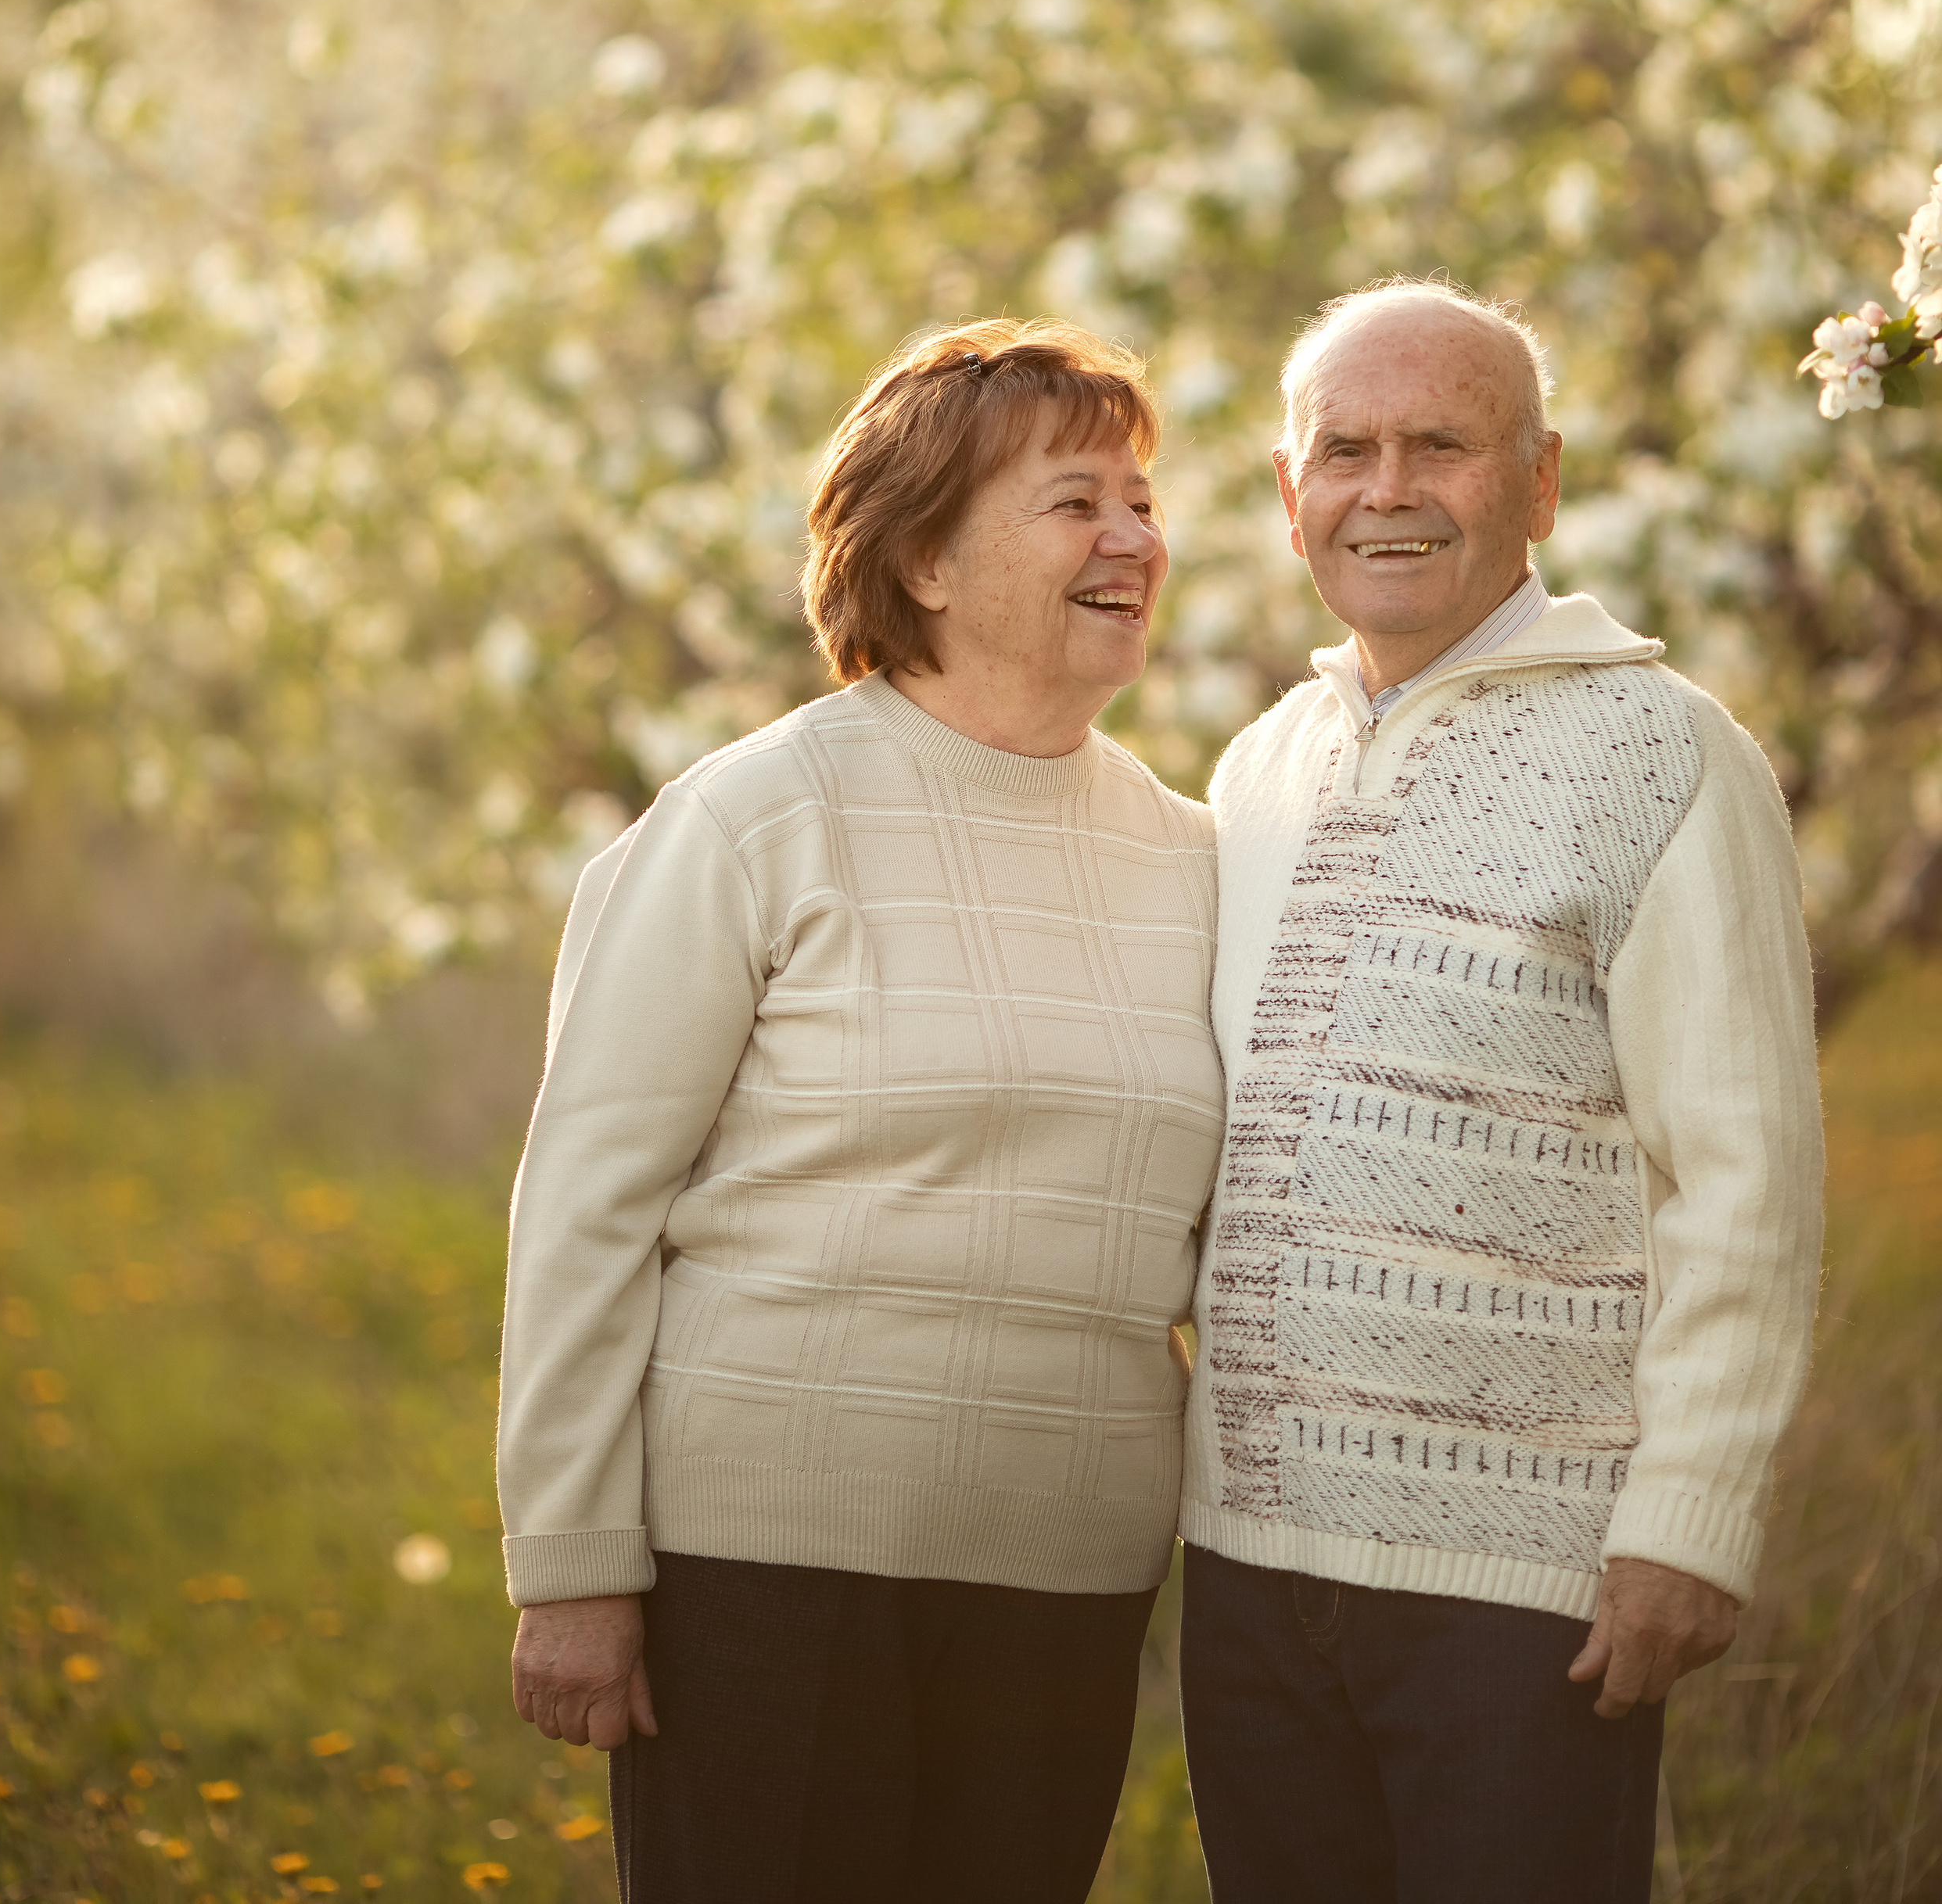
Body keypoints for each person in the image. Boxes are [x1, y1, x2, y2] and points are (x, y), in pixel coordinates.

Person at [497, 318, 1224, 1904]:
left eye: (1141, 497)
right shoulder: (750, 819)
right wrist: (569, 1568)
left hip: (1067, 1574)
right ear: (923, 564)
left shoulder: (1199, 857)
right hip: (763, 1582)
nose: (1132, 540)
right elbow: (587, 1202)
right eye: (1072, 501)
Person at [1178, 277, 1823, 1904]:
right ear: (1285, 492)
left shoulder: (1662, 752)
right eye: (1343, 450)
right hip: (1247, 1571)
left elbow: (1741, 1178)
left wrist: (1685, 1523)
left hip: (1521, 1589)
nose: (1383, 490)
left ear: (1536, 481)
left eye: (1440, 446)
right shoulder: (1258, 767)